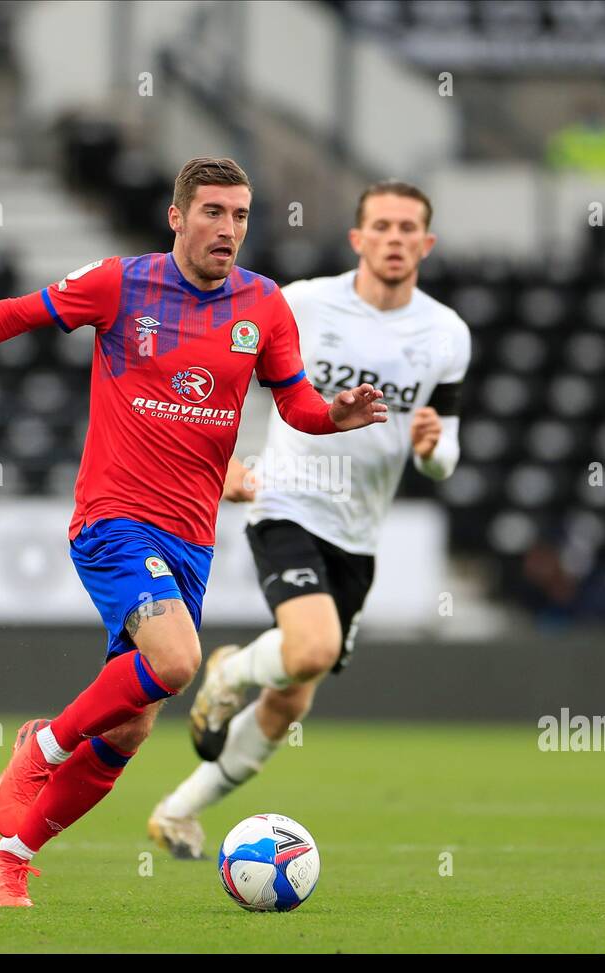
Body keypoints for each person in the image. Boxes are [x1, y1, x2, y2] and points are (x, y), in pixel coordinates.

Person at [0, 157, 388, 905]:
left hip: (190, 541)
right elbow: (16, 313)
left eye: (240, 216)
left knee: (129, 731)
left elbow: (296, 405)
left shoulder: (263, 305)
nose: (228, 229)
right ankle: (46, 743)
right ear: (177, 216)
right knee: (177, 659)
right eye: (213, 213)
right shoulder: (123, 285)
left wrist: (335, 417)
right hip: (114, 518)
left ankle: (12, 853)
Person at [146, 180, 471, 858]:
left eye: (408, 228)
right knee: (312, 648)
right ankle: (230, 672)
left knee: (292, 700)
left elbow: (445, 456)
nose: (394, 238)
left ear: (426, 243)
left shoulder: (446, 334)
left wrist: (437, 451)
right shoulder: (299, 303)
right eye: (381, 226)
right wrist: (225, 462)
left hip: (360, 532)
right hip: (287, 499)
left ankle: (177, 811)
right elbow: (216, 381)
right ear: (358, 238)